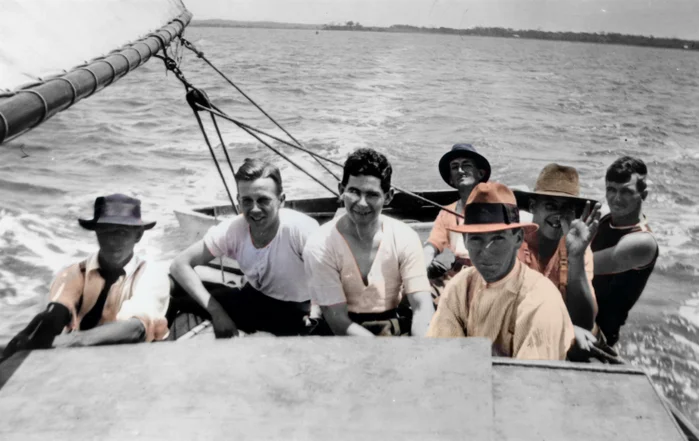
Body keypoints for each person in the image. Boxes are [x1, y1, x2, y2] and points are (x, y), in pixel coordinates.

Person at [2, 194, 170, 358]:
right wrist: (29, 335)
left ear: (138, 235)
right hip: (80, 359)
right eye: (105, 232)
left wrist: (68, 341)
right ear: (96, 233)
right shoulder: (74, 272)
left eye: (122, 232)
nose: (112, 241)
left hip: (137, 359)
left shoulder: (151, 274)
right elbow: (57, 310)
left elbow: (135, 328)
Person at [169, 158, 319, 338]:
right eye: (247, 201)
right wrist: (217, 312)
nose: (254, 209)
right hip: (255, 299)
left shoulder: (300, 229)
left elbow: (333, 277)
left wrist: (316, 313)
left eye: (263, 200)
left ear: (281, 200)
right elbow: (180, 264)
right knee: (175, 296)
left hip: (299, 312)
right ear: (238, 201)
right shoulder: (234, 228)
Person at [427, 182, 575, 360]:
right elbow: (442, 357)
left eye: (497, 238)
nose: (486, 250)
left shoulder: (540, 300)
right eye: (476, 239)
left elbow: (531, 381)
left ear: (518, 238)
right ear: (465, 241)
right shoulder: (459, 286)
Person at [303, 148, 434, 337]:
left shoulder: (406, 237)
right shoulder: (319, 244)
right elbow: (338, 321)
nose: (362, 203)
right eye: (354, 192)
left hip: (392, 325)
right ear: (341, 191)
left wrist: (420, 349)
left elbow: (422, 307)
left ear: (388, 197)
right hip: (339, 331)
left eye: (372, 195)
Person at [513, 164, 600, 333]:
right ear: (532, 206)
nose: (558, 215)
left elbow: (585, 321)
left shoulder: (579, 247)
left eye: (566, 208)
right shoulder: (514, 241)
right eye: (551, 206)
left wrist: (576, 257)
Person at [591, 156, 659, 347]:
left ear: (643, 194)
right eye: (611, 190)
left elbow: (582, 264)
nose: (616, 199)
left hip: (598, 336)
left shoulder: (642, 242)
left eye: (626, 192)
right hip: (574, 315)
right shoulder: (605, 219)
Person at [423, 144, 491, 305]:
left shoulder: (495, 206)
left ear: (480, 173)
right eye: (455, 167)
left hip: (489, 276)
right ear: (451, 179)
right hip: (456, 276)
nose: (460, 170)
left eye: (466, 165)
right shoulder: (447, 212)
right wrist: (417, 269)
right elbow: (432, 246)